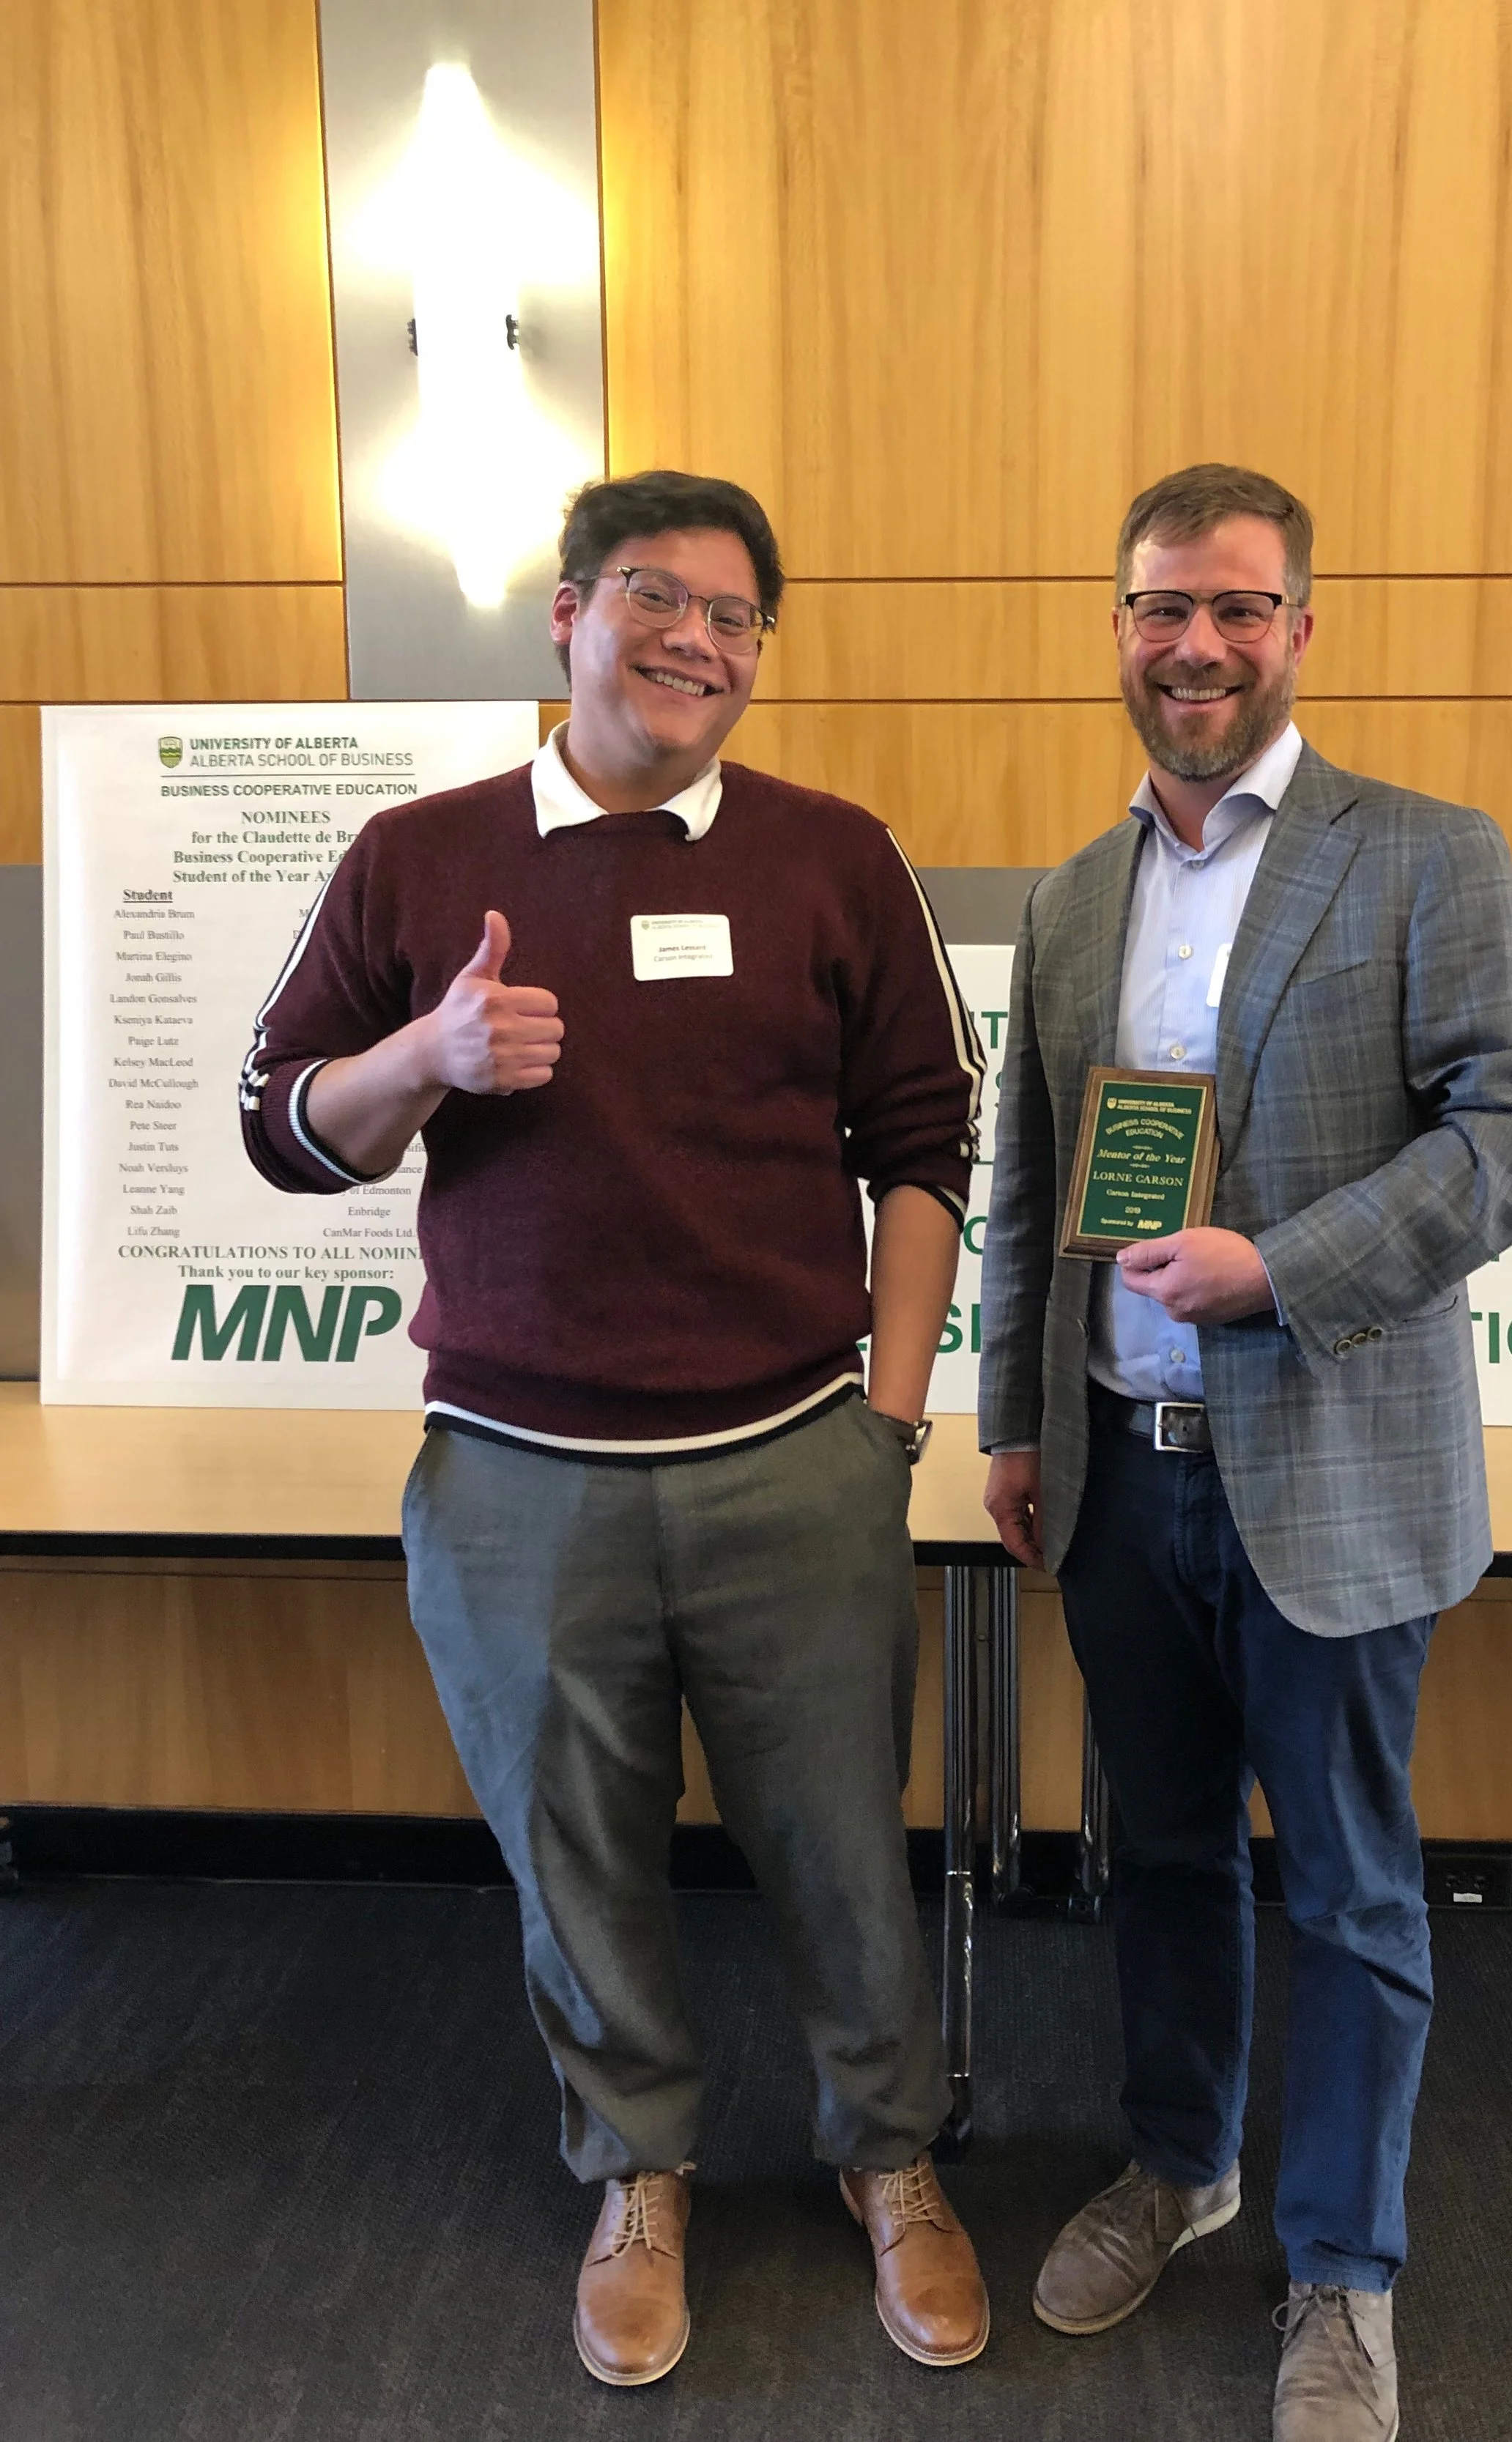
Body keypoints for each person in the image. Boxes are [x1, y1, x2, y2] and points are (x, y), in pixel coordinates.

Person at [240, 470, 990, 2386]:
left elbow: (926, 1137)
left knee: (836, 1839)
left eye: (738, 618)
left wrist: (886, 1420)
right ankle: (637, 2165)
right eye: (657, 597)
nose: (697, 642)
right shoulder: (418, 858)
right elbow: (278, 1118)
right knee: (579, 1854)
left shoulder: (834, 858)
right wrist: (424, 1056)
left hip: (791, 1462)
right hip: (514, 1479)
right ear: (567, 611)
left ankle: (888, 2157)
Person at [977, 462, 1512, 2441]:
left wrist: (1280, 1263)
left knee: (1344, 1887)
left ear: (1299, 627)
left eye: (1237, 608)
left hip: (1325, 1461)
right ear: (1119, 627)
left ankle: (1340, 2266)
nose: (1196, 646)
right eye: (1162, 607)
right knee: (1153, 1853)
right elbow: (1020, 1182)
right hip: (1116, 1472)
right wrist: (1009, 1423)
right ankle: (1181, 2158)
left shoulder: (1425, 857)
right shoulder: (1070, 897)